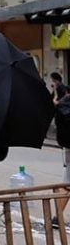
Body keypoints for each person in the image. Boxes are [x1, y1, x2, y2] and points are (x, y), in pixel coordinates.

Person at [54, 87, 70, 229]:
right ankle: (56, 218)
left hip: (67, 146)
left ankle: (56, 217)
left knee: (67, 182)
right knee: (67, 184)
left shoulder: (61, 104)